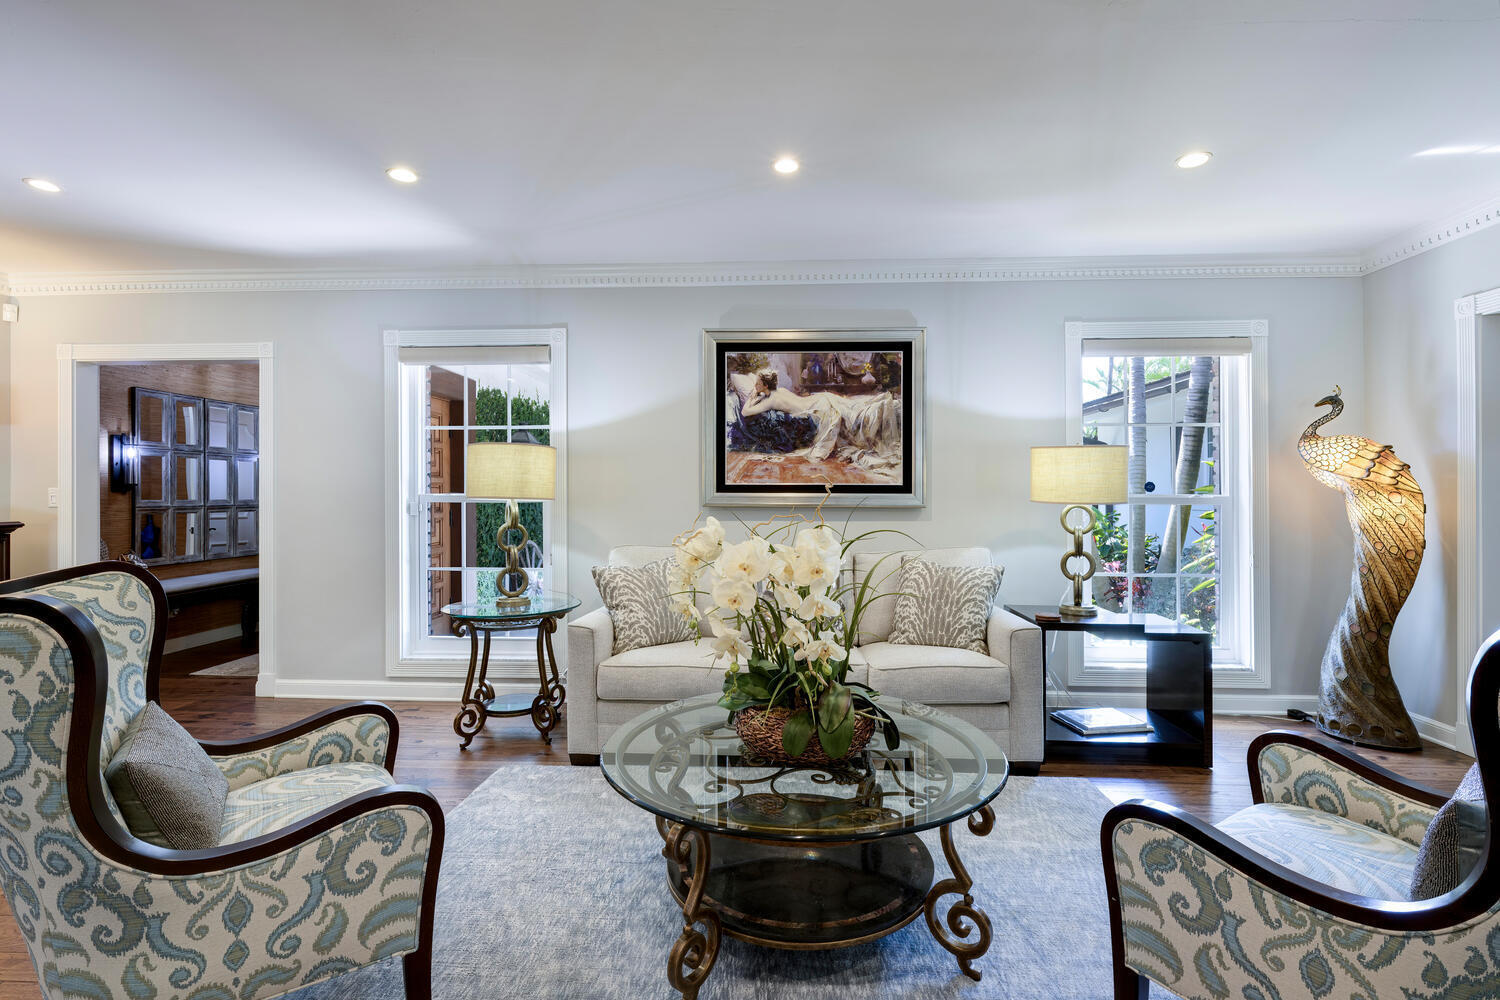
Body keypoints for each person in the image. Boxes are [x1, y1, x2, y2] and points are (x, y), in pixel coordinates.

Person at [741, 371, 901, 477]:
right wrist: (758, 394)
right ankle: (884, 410)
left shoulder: (771, 400)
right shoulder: (779, 391)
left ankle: (880, 413)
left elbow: (745, 412)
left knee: (853, 419)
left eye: (757, 383)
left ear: (766, 386)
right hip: (821, 398)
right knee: (853, 409)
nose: (755, 386)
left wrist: (753, 396)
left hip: (817, 408)